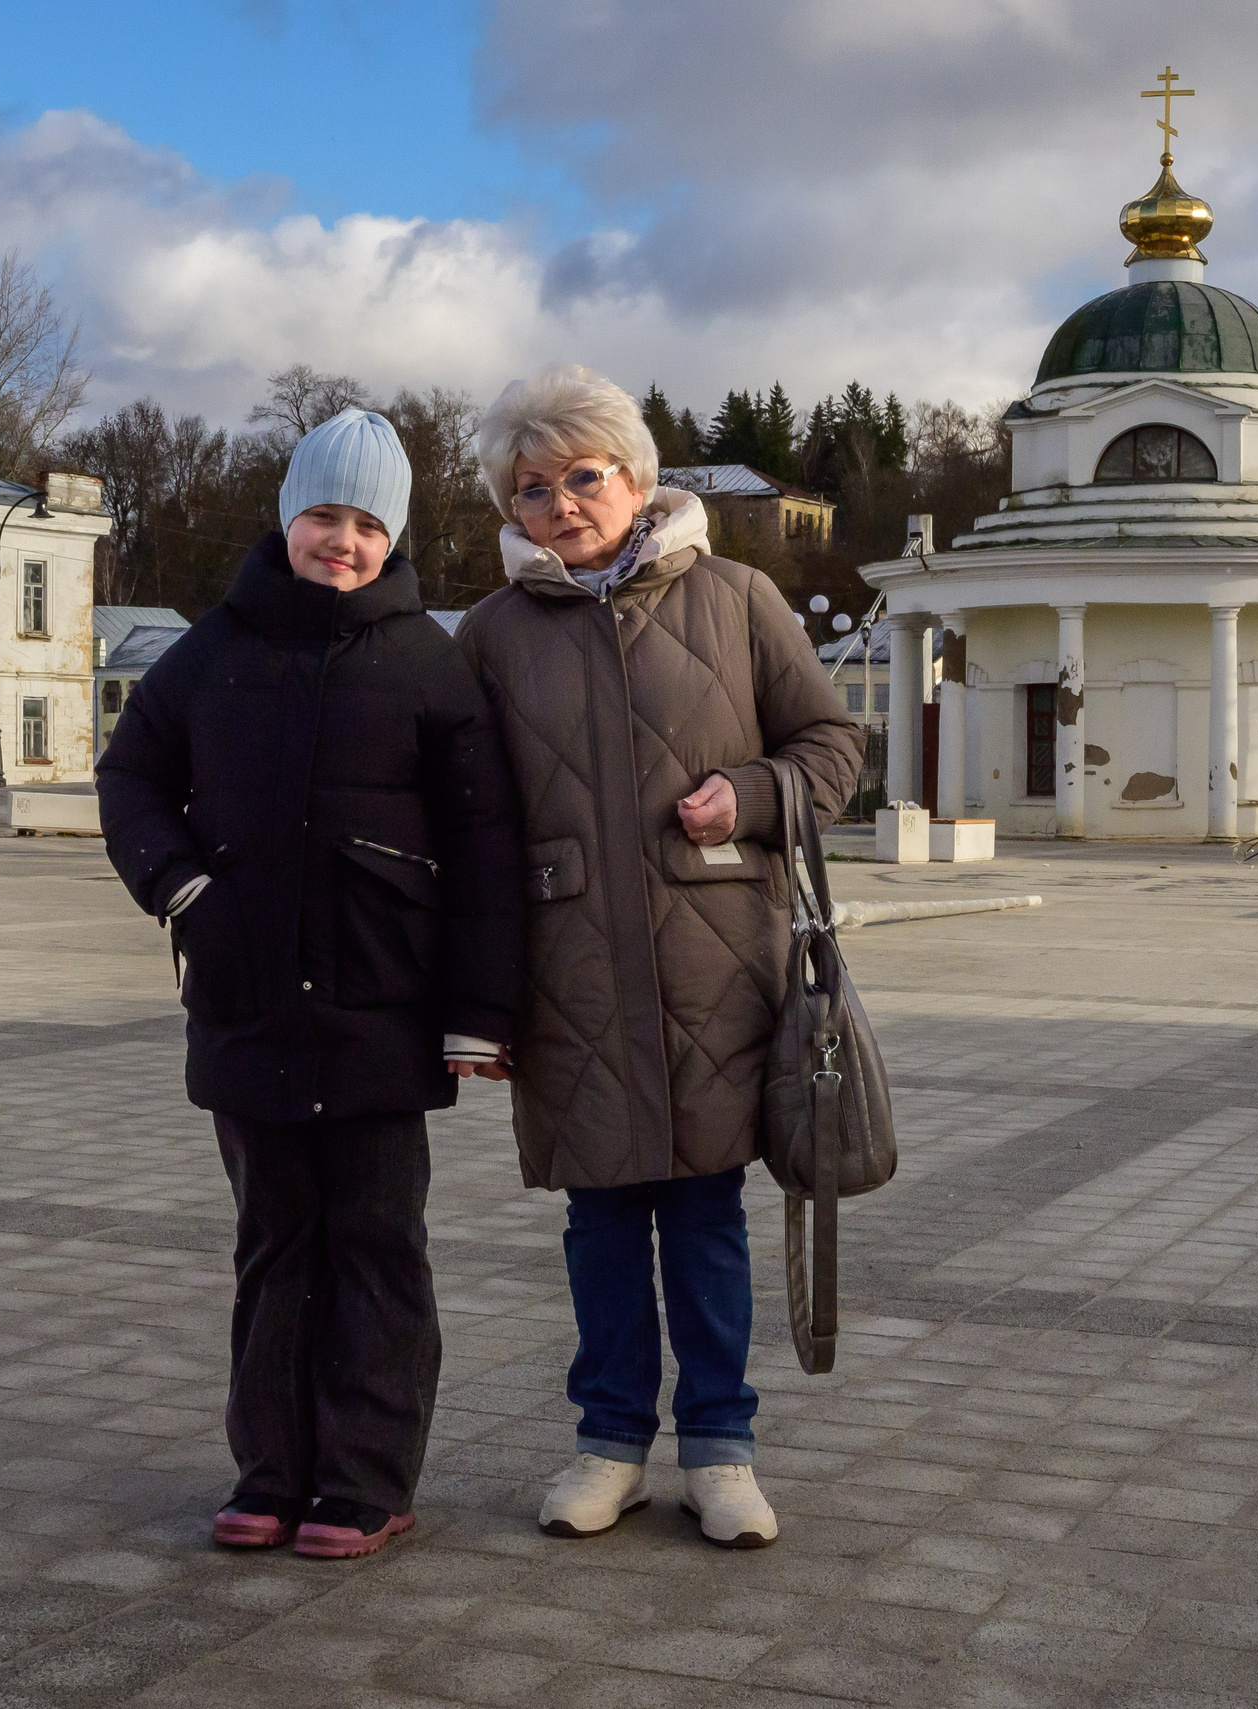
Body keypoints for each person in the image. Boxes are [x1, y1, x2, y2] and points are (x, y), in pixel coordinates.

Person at [96, 409, 524, 1561]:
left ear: (394, 539)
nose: (343, 541)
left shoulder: (426, 661)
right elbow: (131, 773)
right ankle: (271, 1471)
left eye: (367, 523)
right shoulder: (213, 649)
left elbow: (485, 847)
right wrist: (178, 888)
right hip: (246, 1003)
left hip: (382, 1006)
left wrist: (479, 1014)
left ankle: (364, 1480)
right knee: (275, 1243)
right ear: (287, 518)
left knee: (376, 1246)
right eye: (324, 516)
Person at [454, 366, 862, 1550]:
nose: (564, 503)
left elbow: (831, 743)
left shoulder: (736, 597)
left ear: (636, 478)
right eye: (534, 488)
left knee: (704, 1215)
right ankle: (610, 1443)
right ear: (512, 507)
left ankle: (722, 1449)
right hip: (565, 970)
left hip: (716, 960)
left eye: (585, 476)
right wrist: (474, 1001)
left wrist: (752, 792)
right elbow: (467, 821)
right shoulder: (489, 635)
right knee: (597, 1221)